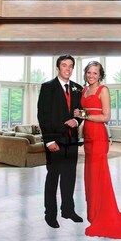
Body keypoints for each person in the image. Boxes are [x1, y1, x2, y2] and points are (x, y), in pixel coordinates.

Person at [75, 61, 121, 239]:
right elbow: (83, 112)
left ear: (100, 75)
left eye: (95, 73)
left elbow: (106, 117)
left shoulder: (104, 90)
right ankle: (93, 213)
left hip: (99, 135)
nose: (91, 76)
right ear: (85, 74)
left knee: (100, 174)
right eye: (89, 72)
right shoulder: (84, 91)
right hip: (87, 135)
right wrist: (78, 115)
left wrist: (84, 115)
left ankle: (105, 214)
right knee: (90, 175)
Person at [37, 55, 84, 228]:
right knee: (53, 178)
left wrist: (77, 120)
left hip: (71, 141)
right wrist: (49, 141)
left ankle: (68, 210)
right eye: (64, 65)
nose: (68, 69)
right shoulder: (48, 87)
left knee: (70, 177)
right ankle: (50, 214)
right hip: (54, 141)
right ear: (58, 67)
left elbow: (82, 112)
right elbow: (43, 116)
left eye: (71, 66)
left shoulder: (78, 88)